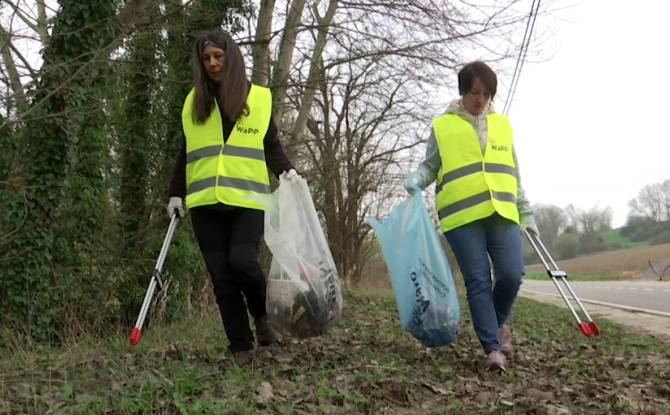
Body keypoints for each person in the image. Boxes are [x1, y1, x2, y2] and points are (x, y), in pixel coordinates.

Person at [167, 29, 299, 368]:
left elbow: (271, 146)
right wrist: (175, 194)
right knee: (221, 277)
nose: (212, 63)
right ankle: (241, 347)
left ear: (231, 58)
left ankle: (262, 315)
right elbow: (186, 152)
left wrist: (288, 172)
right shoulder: (193, 102)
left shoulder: (257, 99)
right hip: (204, 202)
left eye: (218, 57)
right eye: (206, 58)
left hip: (247, 199)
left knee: (243, 263)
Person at [405, 61, 539, 372]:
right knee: (478, 281)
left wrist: (526, 212)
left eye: (486, 94)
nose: (480, 99)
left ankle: (498, 323)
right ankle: (493, 349)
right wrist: (416, 179)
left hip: (502, 211)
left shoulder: (502, 125)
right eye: (474, 92)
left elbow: (512, 173)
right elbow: (430, 166)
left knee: (511, 274)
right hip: (462, 215)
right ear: (463, 92)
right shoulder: (443, 126)